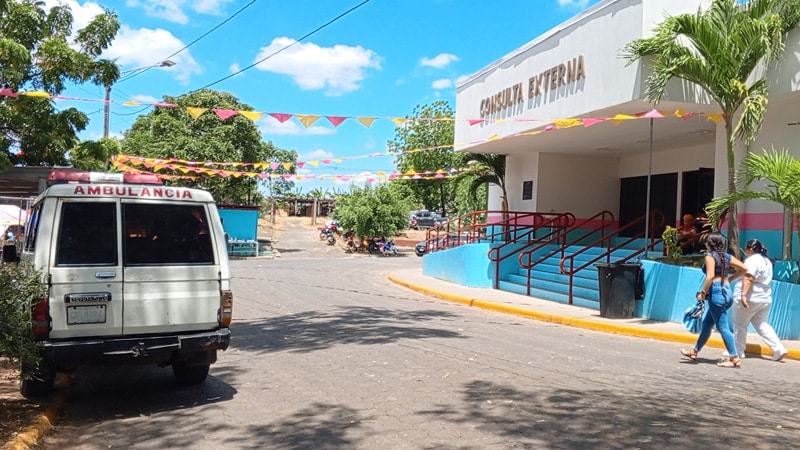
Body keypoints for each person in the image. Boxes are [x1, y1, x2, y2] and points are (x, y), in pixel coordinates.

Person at [681, 231, 747, 368]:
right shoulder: (726, 257)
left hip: (716, 293)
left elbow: (710, 276)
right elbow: (744, 268)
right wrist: (730, 279)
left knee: (723, 327)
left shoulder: (710, 256)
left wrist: (703, 293)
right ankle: (694, 351)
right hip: (727, 292)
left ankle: (734, 358)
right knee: (707, 324)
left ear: (709, 244)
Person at [730, 239, 788, 361]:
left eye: (746, 249)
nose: (745, 251)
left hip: (751, 297)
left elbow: (749, 277)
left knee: (740, 324)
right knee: (762, 325)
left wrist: (743, 295)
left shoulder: (752, 260)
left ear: (751, 249)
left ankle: (737, 351)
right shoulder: (766, 261)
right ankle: (778, 349)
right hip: (764, 298)